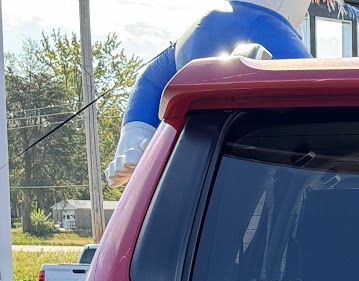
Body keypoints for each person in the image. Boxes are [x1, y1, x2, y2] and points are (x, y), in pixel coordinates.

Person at [106, 1, 314, 189]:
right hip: (251, 156)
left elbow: (150, 80)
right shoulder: (271, 27)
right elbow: (313, 85)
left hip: (196, 152)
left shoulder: (197, 29)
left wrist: (135, 138)